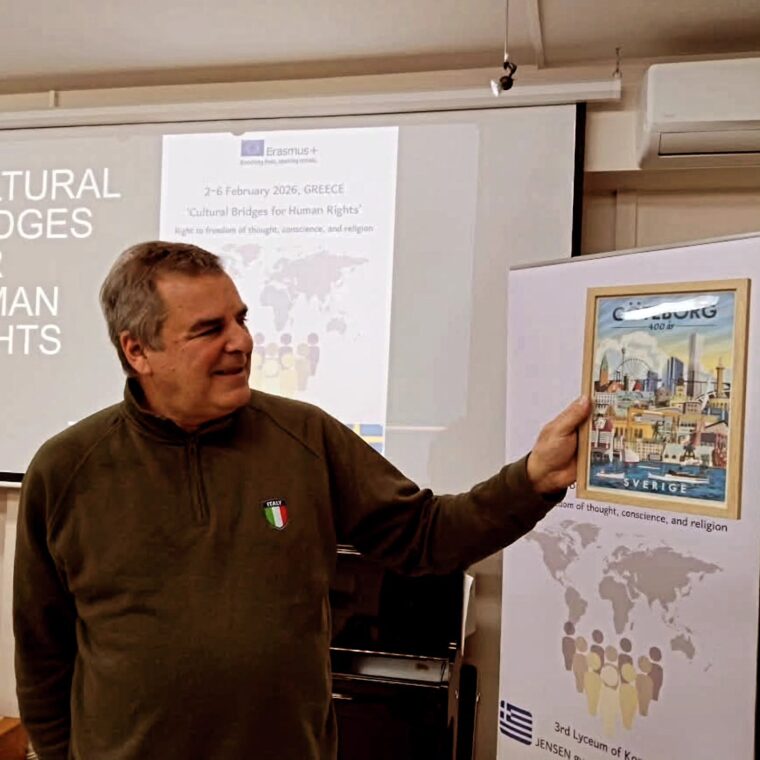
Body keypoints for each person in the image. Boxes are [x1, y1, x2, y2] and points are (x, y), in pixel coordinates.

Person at [13, 241, 590, 760]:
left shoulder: (304, 438)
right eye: (209, 329)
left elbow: (425, 535)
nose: (241, 341)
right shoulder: (66, 470)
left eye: (240, 319)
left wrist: (532, 480)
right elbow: (43, 650)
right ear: (138, 350)